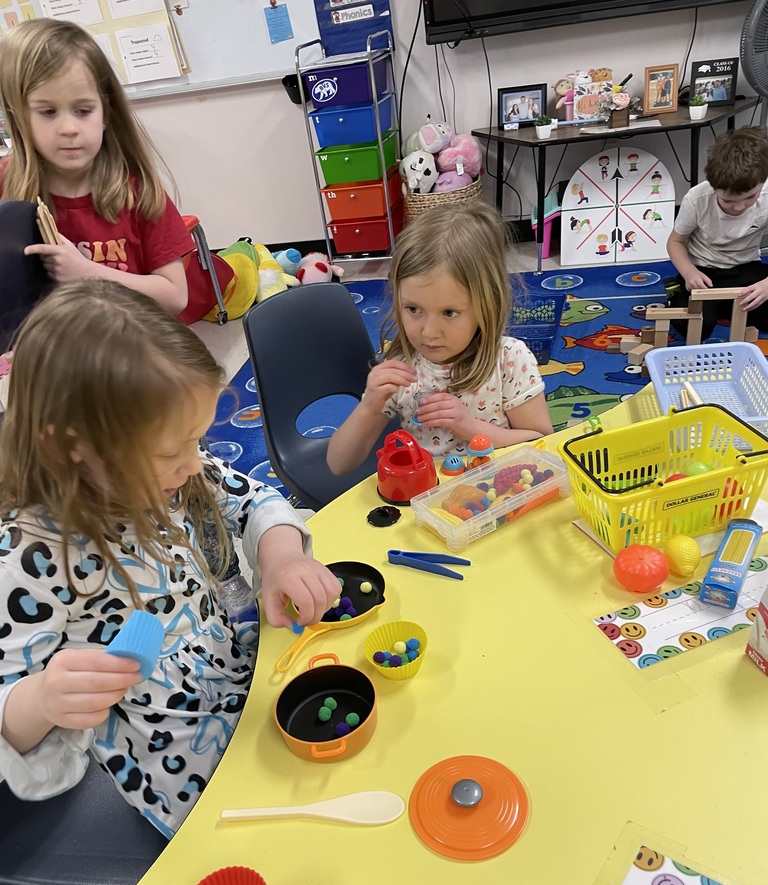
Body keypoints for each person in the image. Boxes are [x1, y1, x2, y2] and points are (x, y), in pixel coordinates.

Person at [0, 280, 340, 837]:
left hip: (235, 672)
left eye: (197, 440)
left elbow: (251, 497)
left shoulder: (172, 471)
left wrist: (280, 559)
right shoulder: (27, 560)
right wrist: (39, 699)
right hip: (179, 756)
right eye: (170, 450)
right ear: (70, 445)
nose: (193, 462)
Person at [326, 204, 553, 474]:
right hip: (426, 502)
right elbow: (339, 465)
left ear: (486, 304)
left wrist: (470, 428)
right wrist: (368, 406)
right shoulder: (402, 366)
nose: (429, 332)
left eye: (449, 312)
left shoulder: (509, 360)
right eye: (413, 309)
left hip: (498, 495)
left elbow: (541, 443)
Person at [0, 18, 191, 314]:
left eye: (83, 110)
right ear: (19, 117)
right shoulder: (6, 187)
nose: (68, 128)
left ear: (105, 112)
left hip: (129, 347)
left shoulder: (137, 192)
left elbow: (175, 296)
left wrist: (87, 272)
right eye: (48, 112)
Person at [666, 126, 768, 340]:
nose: (739, 207)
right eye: (728, 201)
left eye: (750, 197)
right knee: (694, 327)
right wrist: (689, 273)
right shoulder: (697, 199)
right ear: (714, 188)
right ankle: (684, 292)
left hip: (747, 268)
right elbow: (675, 241)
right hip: (705, 271)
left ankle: (727, 304)